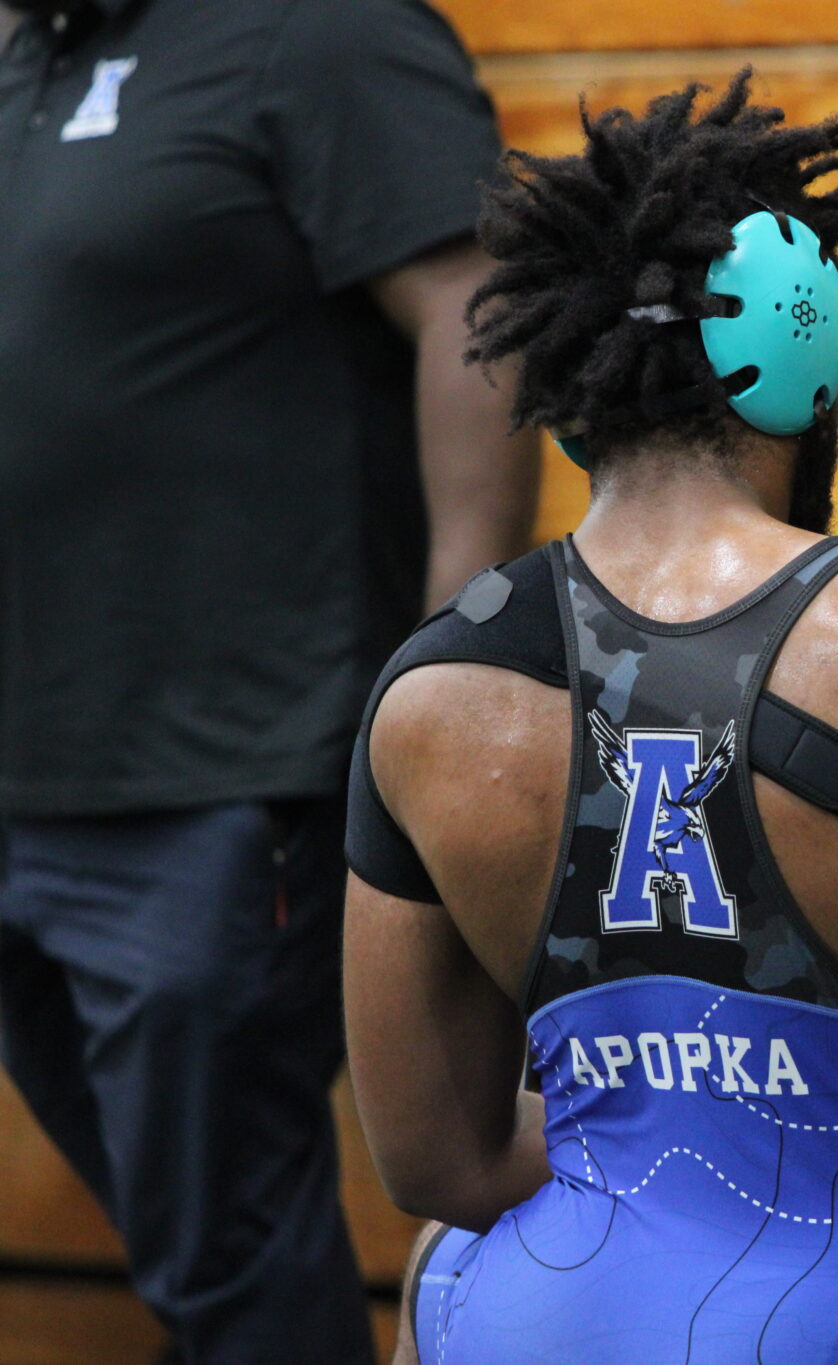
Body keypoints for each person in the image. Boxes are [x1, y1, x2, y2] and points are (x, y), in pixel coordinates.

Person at [343, 74, 838, 1365]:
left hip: (535, 1319)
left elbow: (434, 1154)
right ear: (800, 343)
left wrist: (653, 1184)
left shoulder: (430, 691)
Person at [0, 0, 535, 1358]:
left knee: (226, 1253)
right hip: (32, 770)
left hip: (228, 778)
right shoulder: (27, 57)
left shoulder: (315, 30)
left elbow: (478, 315)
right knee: (191, 1237)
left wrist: (452, 671)